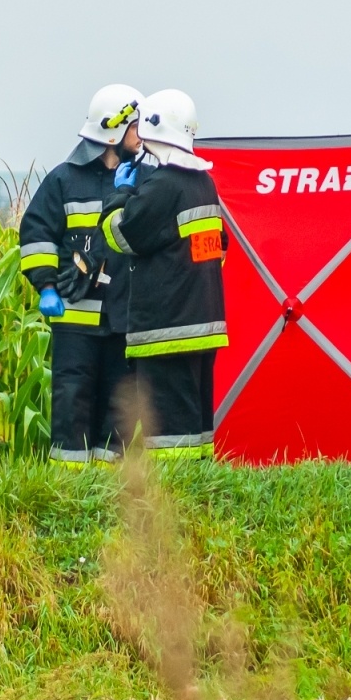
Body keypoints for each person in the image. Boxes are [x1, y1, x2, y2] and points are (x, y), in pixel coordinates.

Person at [18, 84, 144, 464]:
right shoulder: (64, 180)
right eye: (136, 127)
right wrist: (47, 286)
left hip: (122, 319)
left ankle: (106, 488)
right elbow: (36, 231)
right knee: (72, 400)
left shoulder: (142, 180)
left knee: (117, 406)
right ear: (114, 132)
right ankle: (70, 484)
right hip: (75, 320)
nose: (142, 136)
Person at [99, 89, 227, 458]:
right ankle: (201, 488)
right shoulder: (204, 183)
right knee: (197, 426)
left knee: (170, 432)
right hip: (202, 323)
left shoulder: (163, 186)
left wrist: (121, 193)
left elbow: (120, 235)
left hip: (166, 329)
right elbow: (219, 247)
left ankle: (177, 494)